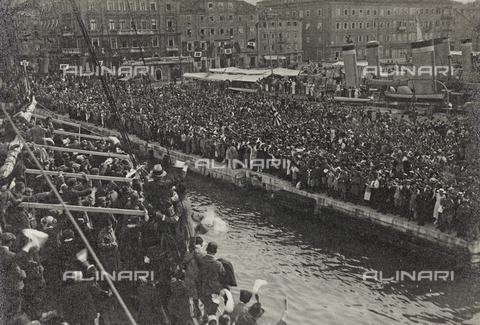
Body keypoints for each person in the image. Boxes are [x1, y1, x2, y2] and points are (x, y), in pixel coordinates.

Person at [199, 242, 225, 316]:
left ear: (207, 249)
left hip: (200, 288)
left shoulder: (200, 260)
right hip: (212, 291)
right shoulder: (218, 264)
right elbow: (223, 275)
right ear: (215, 251)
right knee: (211, 310)